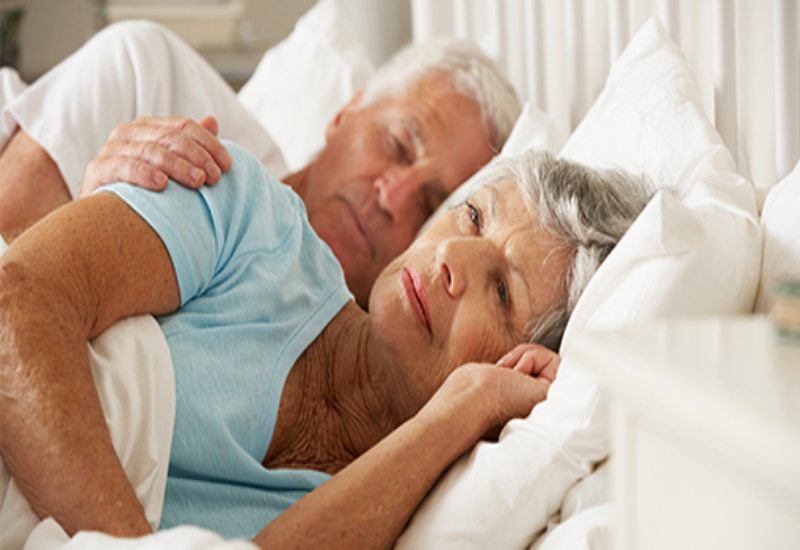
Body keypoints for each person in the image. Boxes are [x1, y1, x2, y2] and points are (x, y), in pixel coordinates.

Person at [0, 140, 652, 546]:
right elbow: (16, 300)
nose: (452, 254)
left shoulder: (390, 507)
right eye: (473, 215)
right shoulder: (253, 218)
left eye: (502, 291)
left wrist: (464, 410)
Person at [0, 20, 521, 306]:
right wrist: (100, 211)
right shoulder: (151, 79)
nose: (393, 196)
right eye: (399, 145)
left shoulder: (341, 383)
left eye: (431, 206)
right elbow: (12, 279)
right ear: (345, 113)